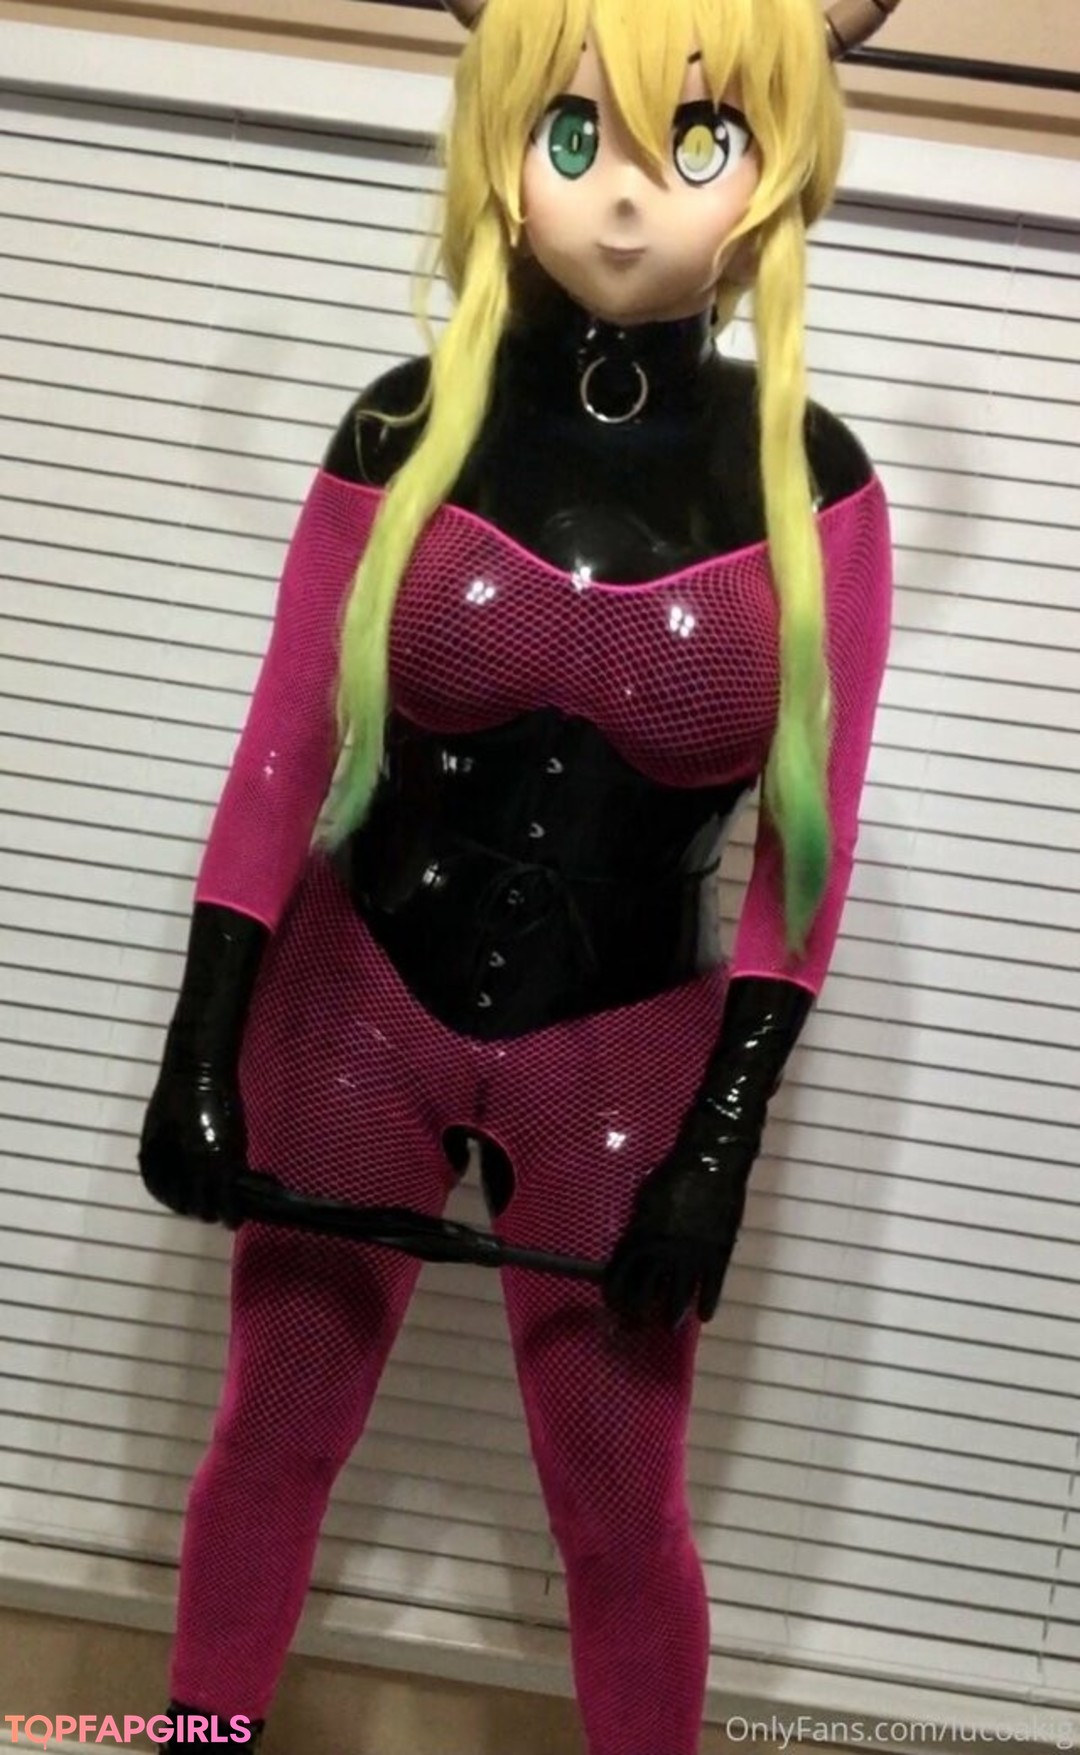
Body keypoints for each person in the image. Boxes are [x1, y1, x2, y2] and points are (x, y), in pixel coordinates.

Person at [138, 0, 899, 1748]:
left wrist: (720, 1150)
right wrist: (199, 1054)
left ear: (776, 167)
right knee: (274, 1435)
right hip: (357, 1005)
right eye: (573, 134)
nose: (625, 197)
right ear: (501, 145)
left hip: (626, 1057)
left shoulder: (815, 484)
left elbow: (807, 857)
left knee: (618, 1507)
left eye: (697, 142)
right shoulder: (402, 429)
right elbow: (279, 763)